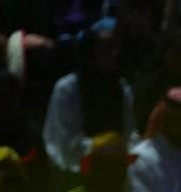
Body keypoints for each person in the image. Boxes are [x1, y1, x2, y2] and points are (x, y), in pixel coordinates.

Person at [42, 19, 135, 172]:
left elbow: (131, 132)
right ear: (90, 53)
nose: (115, 54)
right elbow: (64, 146)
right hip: (75, 172)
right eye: (106, 49)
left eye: (115, 47)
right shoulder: (67, 89)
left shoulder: (122, 88)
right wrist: (102, 146)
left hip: (115, 171)